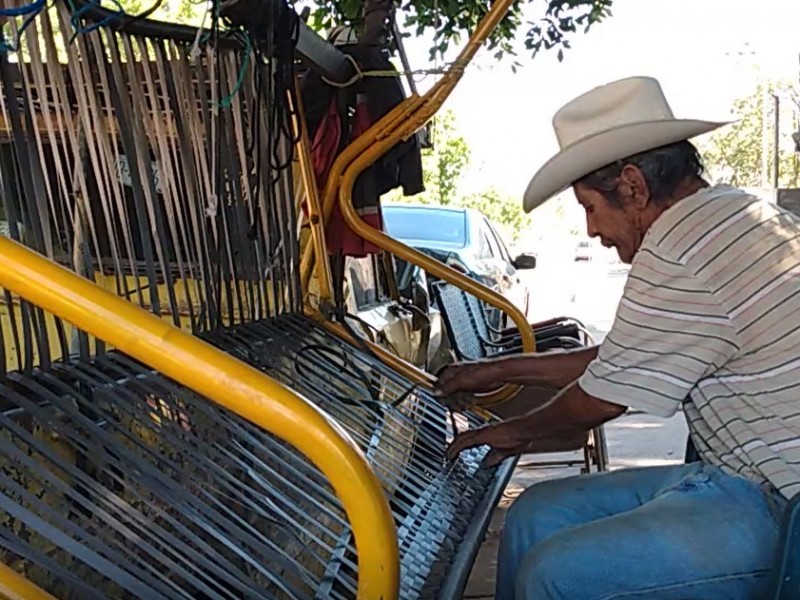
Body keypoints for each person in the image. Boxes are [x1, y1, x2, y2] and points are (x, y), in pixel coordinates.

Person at [437, 76, 800, 600]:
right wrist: (496, 370)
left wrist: (517, 430)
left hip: (781, 504)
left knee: (556, 573)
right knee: (534, 516)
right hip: (737, 478)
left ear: (632, 186)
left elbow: (603, 397)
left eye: (589, 207)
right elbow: (624, 358)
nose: (591, 231)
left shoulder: (676, 246)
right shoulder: (732, 213)